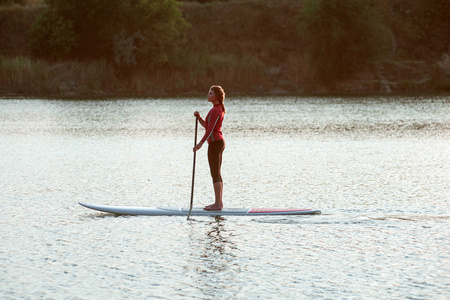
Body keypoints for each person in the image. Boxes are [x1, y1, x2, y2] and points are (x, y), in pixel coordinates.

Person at [193, 85, 226, 211]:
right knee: (216, 173)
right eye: (208, 93)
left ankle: (218, 204)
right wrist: (199, 118)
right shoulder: (215, 109)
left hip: (215, 143)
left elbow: (211, 130)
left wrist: (199, 144)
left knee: (215, 173)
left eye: (211, 93)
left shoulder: (216, 110)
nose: (208, 95)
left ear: (217, 96)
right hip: (217, 142)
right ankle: (219, 203)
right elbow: (208, 126)